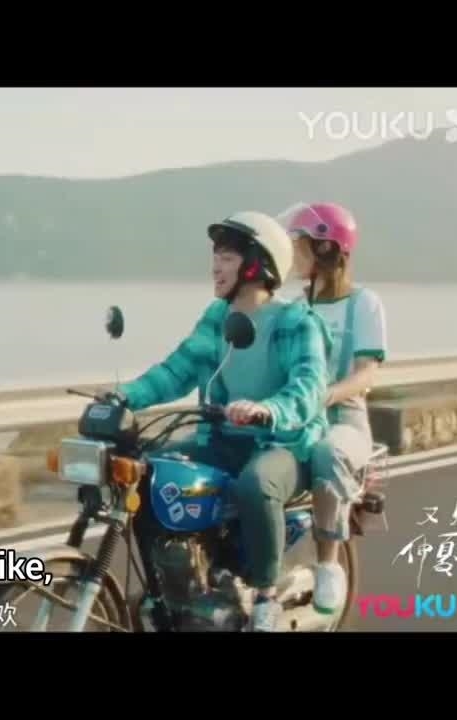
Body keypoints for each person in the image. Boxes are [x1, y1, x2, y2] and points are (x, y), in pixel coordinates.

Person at [113, 210, 332, 632]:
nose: (215, 266)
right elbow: (176, 370)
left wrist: (268, 409)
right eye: (215, 256)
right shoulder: (217, 317)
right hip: (221, 439)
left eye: (227, 257)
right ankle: (171, 588)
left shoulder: (296, 321)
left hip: (282, 444)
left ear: (257, 265)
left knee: (256, 484)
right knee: (147, 471)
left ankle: (265, 596)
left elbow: (309, 387)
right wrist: (122, 397)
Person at [283, 202, 388, 616]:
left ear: (325, 248)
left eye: (299, 245)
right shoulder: (294, 307)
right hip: (295, 419)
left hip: (343, 419)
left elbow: (366, 374)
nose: (292, 254)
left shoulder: (363, 304)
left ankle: (328, 563)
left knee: (328, 454)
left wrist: (324, 396)